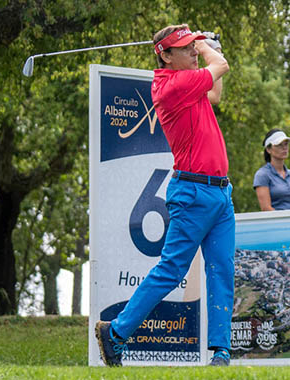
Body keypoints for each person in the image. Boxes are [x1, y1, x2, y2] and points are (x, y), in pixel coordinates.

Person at [95, 24, 234, 366]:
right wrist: (206, 44)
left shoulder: (188, 84)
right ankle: (115, 333)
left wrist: (203, 47)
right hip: (192, 193)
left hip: (220, 193)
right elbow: (222, 66)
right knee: (172, 270)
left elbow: (215, 93)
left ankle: (221, 353)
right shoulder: (172, 86)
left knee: (222, 270)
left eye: (191, 46)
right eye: (184, 47)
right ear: (166, 55)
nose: (190, 51)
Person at [253, 129, 290, 211]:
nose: (284, 148)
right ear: (268, 149)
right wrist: (285, 221)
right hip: (275, 222)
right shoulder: (262, 174)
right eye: (279, 145)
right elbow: (266, 208)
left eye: (286, 144)